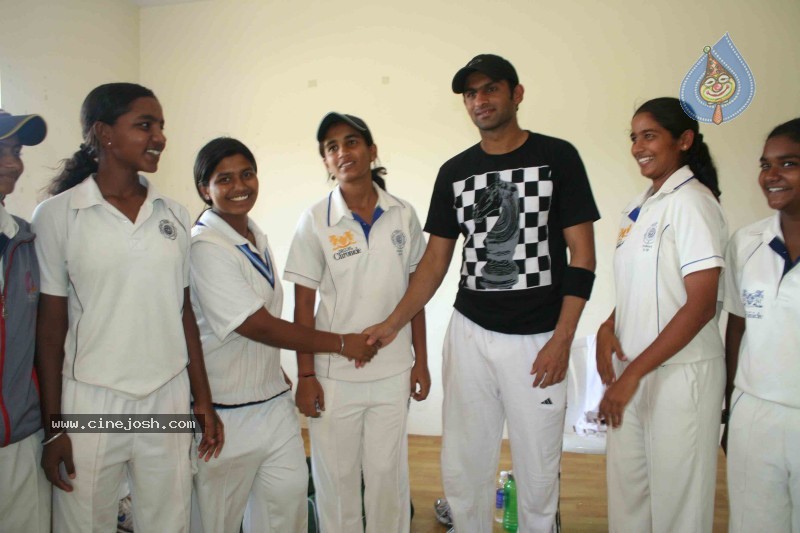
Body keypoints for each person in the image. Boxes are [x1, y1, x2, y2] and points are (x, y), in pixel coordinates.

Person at [365, 54, 599, 533]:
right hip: (470, 332)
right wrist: (392, 324)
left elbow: (583, 256)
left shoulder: (558, 157)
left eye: (490, 88)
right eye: (471, 94)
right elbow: (435, 262)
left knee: (538, 469)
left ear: (516, 94)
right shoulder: (455, 172)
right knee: (464, 461)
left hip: (538, 337)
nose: (480, 100)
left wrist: (561, 339)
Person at [31, 82, 223, 532]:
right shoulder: (58, 215)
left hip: (167, 397)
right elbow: (50, 331)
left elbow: (183, 313)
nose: (159, 137)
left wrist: (203, 402)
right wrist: (55, 426)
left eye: (160, 126)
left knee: (168, 520)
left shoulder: (173, 214)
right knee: (84, 522)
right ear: (104, 133)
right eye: (145, 125)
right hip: (91, 399)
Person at [188, 137, 378, 533]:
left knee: (285, 509)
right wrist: (341, 343)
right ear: (205, 190)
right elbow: (256, 325)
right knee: (215, 521)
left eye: (247, 174)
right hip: (224, 415)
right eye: (224, 179)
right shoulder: (204, 246)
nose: (240, 185)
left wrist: (275, 372)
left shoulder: (254, 235)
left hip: (272, 403)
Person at [285, 112, 428, 532]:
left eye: (351, 142)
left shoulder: (403, 214)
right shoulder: (314, 220)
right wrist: (306, 373)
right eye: (332, 148)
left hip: (393, 372)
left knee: (388, 478)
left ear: (371, 150)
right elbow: (302, 310)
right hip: (334, 376)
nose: (343, 152)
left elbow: (416, 295)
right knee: (338, 482)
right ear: (326, 162)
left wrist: (419, 360)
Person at [596, 97, 727, 533]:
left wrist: (632, 376)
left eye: (649, 135)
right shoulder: (639, 206)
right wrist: (608, 325)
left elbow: (701, 303)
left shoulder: (693, 202)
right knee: (630, 500)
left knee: (678, 509)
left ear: (684, 140)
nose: (637, 146)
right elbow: (642, 286)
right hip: (633, 372)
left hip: (680, 377)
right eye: (634, 137)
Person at [723, 118, 800, 533]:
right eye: (765, 164)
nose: (771, 176)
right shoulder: (747, 242)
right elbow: (737, 327)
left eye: (788, 163)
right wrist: (728, 411)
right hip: (753, 411)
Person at [0, 109, 49, 532]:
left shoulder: (26, 240)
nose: (13, 162)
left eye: (15, 150)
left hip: (20, 441)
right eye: (0, 150)